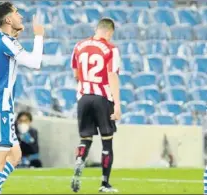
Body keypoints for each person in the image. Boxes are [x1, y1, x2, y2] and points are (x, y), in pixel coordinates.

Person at [0, 1, 44, 194]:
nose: (21, 16)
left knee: (14, 156)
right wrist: (39, 36)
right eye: (16, 13)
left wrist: (14, 36)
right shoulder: (6, 41)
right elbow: (34, 63)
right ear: (8, 19)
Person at [70, 18, 121, 193]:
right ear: (109, 32)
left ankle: (79, 162)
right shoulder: (111, 49)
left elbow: (76, 73)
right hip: (102, 98)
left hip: (83, 97)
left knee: (85, 139)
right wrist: (117, 105)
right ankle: (104, 183)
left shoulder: (79, 46)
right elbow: (112, 76)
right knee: (107, 142)